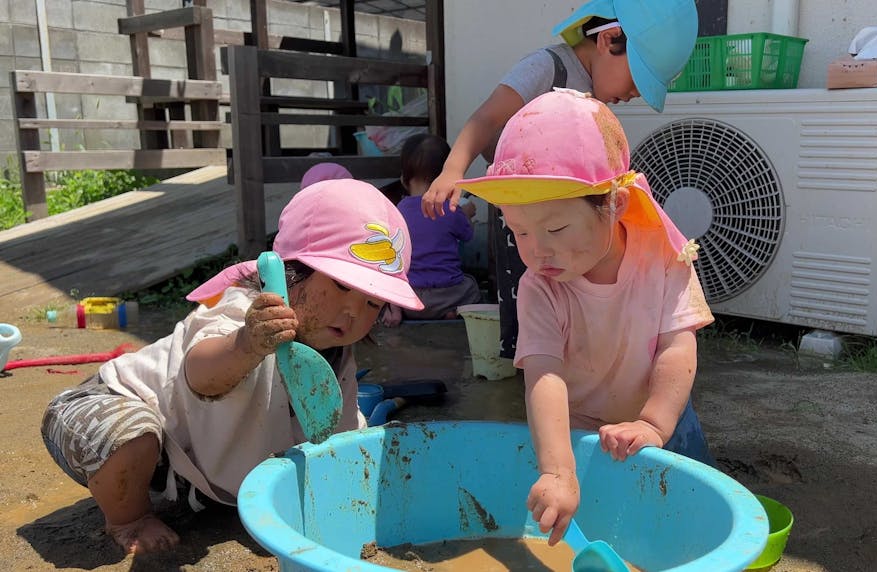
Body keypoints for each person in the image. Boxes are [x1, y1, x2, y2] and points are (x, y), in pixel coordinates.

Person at [39, 179, 423, 554]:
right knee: (131, 435)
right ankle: (129, 520)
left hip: (184, 452)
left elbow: (333, 432)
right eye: (342, 286)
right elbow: (201, 377)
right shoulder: (241, 314)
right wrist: (246, 345)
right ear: (293, 271)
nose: (353, 312)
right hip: (104, 410)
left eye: (372, 303)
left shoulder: (337, 353)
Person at [457, 89, 715, 546]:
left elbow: (678, 346)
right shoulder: (540, 288)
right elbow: (544, 375)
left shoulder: (662, 255)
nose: (537, 250)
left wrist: (654, 423)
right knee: (603, 528)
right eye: (518, 231)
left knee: (679, 529)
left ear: (614, 203)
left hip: (664, 420)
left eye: (555, 229)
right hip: (581, 433)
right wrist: (558, 470)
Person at [421, 0, 699, 361]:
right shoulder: (546, 67)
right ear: (610, 39)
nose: (633, 95)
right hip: (525, 213)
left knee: (570, 297)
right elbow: (486, 118)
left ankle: (567, 368)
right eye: (636, 80)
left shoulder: (595, 93)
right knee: (530, 295)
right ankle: (532, 373)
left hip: (569, 222)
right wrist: (453, 171)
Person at [383, 133, 482, 327]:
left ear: (404, 179)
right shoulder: (451, 209)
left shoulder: (396, 211)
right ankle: (452, 312)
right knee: (472, 286)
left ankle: (395, 308)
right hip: (449, 294)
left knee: (393, 281)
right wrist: (467, 215)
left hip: (411, 299)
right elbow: (468, 235)